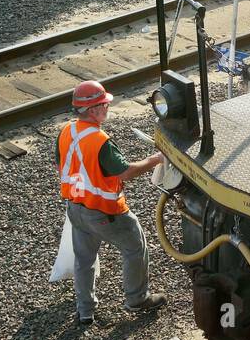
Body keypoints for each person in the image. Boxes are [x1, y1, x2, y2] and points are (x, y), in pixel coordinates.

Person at [55, 80, 166, 326]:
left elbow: (62, 165)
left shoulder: (67, 131)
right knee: (135, 246)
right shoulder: (99, 140)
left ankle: (85, 311)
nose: (108, 107)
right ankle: (137, 299)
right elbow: (124, 172)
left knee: (84, 259)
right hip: (105, 211)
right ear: (94, 109)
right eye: (105, 104)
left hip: (75, 207)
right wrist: (155, 159)